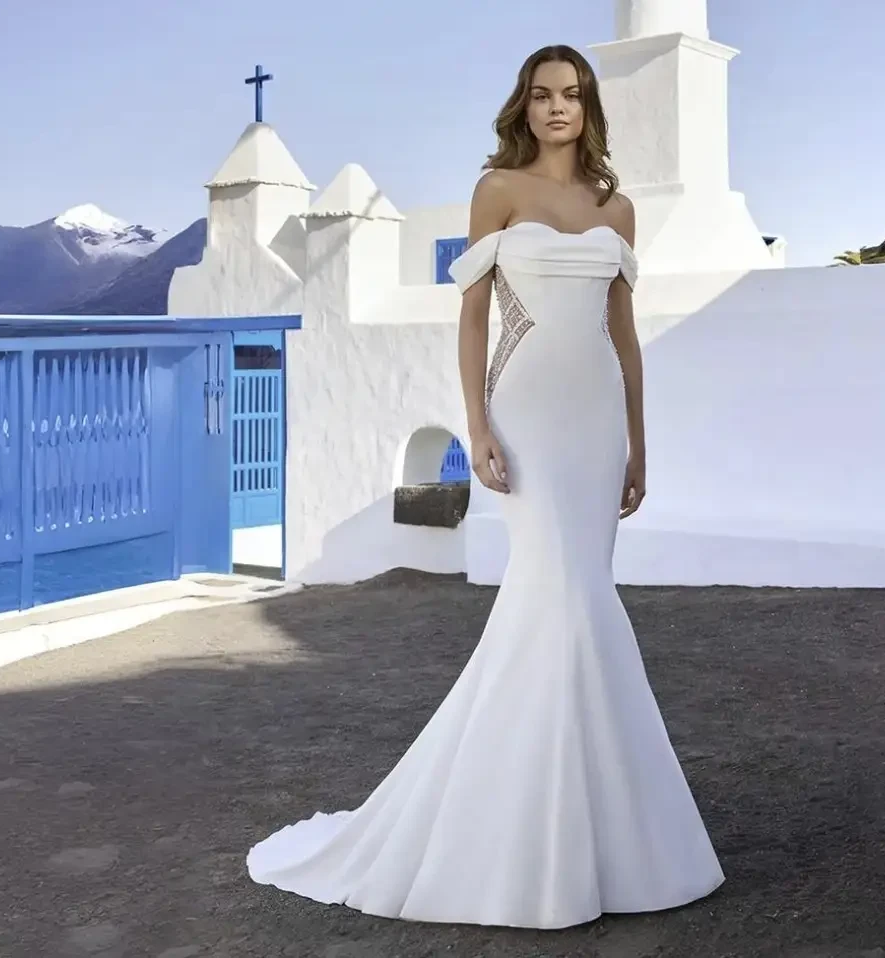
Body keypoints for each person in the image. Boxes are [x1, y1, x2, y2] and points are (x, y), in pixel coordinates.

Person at [246, 43, 724, 930]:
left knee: (586, 597)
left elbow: (624, 336)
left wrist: (638, 445)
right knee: (556, 596)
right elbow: (472, 322)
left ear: (589, 108)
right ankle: (520, 827)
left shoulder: (616, 207)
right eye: (542, 95)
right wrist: (477, 427)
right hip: (528, 414)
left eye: (571, 95)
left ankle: (604, 829)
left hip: (596, 422)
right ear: (524, 106)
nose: (556, 108)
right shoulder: (497, 190)